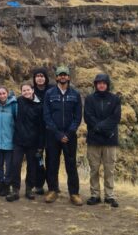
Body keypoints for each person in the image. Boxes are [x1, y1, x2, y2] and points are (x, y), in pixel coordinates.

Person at [44, 65, 83, 206]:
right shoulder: (49, 94)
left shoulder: (75, 94)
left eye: (65, 75)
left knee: (71, 165)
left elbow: (78, 117)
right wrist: (58, 133)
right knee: (52, 163)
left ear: (68, 77)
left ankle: (74, 193)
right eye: (60, 75)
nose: (62, 77)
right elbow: (47, 116)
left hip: (70, 136)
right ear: (56, 77)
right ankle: (53, 190)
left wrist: (68, 133)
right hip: (53, 135)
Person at [84, 73, 121, 208]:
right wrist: (100, 128)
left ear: (107, 84)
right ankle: (95, 195)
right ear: (95, 84)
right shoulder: (89, 99)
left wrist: (101, 128)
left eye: (104, 83)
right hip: (94, 140)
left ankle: (109, 196)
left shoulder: (115, 99)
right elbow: (88, 117)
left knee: (109, 169)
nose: (101, 85)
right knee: (94, 169)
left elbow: (115, 118)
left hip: (110, 141)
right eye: (99, 82)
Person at [6, 82, 43, 202]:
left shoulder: (39, 105)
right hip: (19, 140)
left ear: (33, 90)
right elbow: (6, 103)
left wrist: (40, 144)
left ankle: (29, 189)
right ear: (21, 92)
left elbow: (41, 126)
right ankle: (15, 190)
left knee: (32, 166)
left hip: (33, 141)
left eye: (28, 90)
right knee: (15, 164)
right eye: (24, 91)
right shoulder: (18, 102)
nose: (26, 92)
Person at [0, 86, 17, 196]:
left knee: (9, 165)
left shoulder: (14, 105)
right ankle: (0, 184)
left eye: (4, 93)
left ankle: (7, 186)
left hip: (10, 141)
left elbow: (17, 121)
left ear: (8, 93)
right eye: (0, 94)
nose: (2, 95)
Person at [32, 66, 53, 194]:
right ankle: (38, 184)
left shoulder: (52, 90)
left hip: (50, 131)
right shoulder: (31, 92)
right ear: (34, 79)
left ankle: (52, 186)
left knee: (51, 160)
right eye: (37, 76)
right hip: (36, 132)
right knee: (37, 159)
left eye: (42, 76)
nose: (40, 78)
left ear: (46, 78)